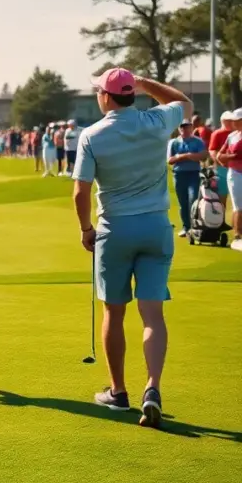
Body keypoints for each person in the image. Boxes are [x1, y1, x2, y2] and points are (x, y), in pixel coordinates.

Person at [72, 68, 192, 429]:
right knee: (153, 315)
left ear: (107, 97)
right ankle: (152, 387)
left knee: (115, 312)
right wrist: (144, 83)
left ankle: (119, 392)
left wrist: (85, 229)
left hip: (115, 229)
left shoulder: (92, 135)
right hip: (156, 226)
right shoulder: (156, 120)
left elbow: (80, 191)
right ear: (130, 94)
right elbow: (182, 103)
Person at [167, 120, 208, 236]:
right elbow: (170, 160)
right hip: (179, 175)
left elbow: (203, 156)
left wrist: (185, 156)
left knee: (193, 199)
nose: (185, 130)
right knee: (183, 202)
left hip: (193, 173)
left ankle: (194, 226)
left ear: (191, 128)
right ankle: (186, 227)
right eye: (182, 128)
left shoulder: (198, 141)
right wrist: (186, 156)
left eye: (187, 127)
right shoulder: (174, 142)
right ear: (179, 129)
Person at [213, 107, 242, 251]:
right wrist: (230, 158)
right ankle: (238, 236)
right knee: (238, 206)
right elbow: (219, 156)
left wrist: (229, 158)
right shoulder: (232, 136)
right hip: (236, 173)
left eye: (236, 121)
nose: (233, 123)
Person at [209, 110, 235, 209]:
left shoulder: (236, 133)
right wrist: (220, 161)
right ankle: (221, 221)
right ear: (222, 121)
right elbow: (212, 150)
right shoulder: (217, 134)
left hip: (236, 168)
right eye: (228, 120)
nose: (231, 122)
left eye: (231, 120)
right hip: (221, 169)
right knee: (222, 196)